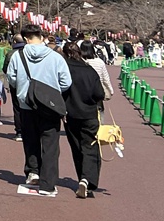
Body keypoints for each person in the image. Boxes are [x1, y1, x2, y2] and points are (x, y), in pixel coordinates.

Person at [6, 23, 72, 197]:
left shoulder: (17, 56)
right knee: (50, 145)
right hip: (50, 106)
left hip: (26, 104)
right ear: (41, 37)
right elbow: (66, 82)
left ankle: (33, 172)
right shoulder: (56, 57)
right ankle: (48, 184)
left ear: (26, 38)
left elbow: (11, 79)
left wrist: (24, 88)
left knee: (31, 140)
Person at [62, 42, 105, 199]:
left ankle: (82, 177)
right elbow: (99, 93)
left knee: (76, 147)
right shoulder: (89, 70)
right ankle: (87, 180)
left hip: (70, 113)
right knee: (90, 146)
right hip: (89, 114)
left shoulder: (64, 69)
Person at [2, 35, 26, 140]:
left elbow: (5, 69)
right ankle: (29, 131)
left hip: (15, 84)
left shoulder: (10, 54)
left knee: (17, 108)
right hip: (28, 83)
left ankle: (19, 132)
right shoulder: (29, 52)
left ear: (15, 42)